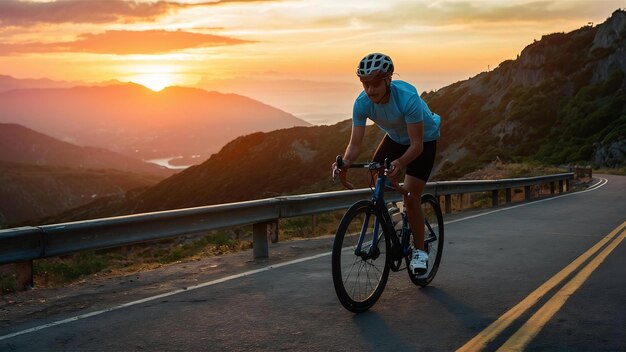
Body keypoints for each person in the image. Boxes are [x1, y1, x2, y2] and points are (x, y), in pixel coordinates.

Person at [333, 52, 441, 274]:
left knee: (411, 198)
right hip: (395, 138)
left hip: (423, 140)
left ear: (388, 79)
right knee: (375, 174)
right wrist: (344, 162)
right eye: (365, 84)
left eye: (375, 84)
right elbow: (354, 145)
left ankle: (420, 251)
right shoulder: (361, 103)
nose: (370, 90)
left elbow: (416, 145)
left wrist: (400, 163)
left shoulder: (407, 97)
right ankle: (393, 213)